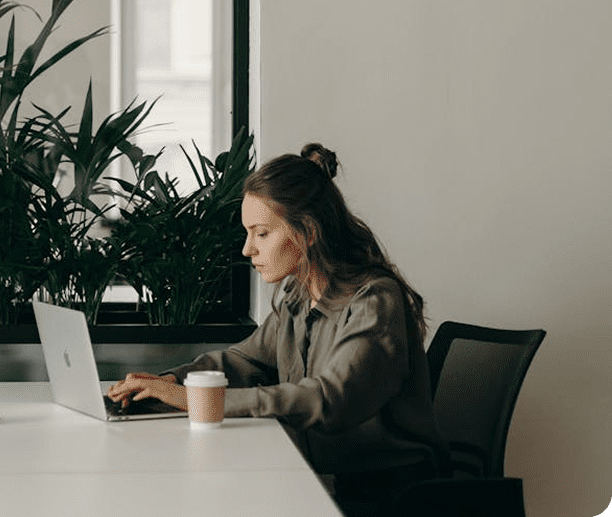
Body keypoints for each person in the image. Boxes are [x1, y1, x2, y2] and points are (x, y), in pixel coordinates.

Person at [107, 143, 449, 516]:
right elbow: (242, 360)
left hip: (385, 493)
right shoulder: (299, 295)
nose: (246, 249)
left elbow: (329, 400)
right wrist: (172, 382)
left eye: (261, 233)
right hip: (320, 473)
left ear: (307, 232)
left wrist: (196, 401)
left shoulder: (374, 300)